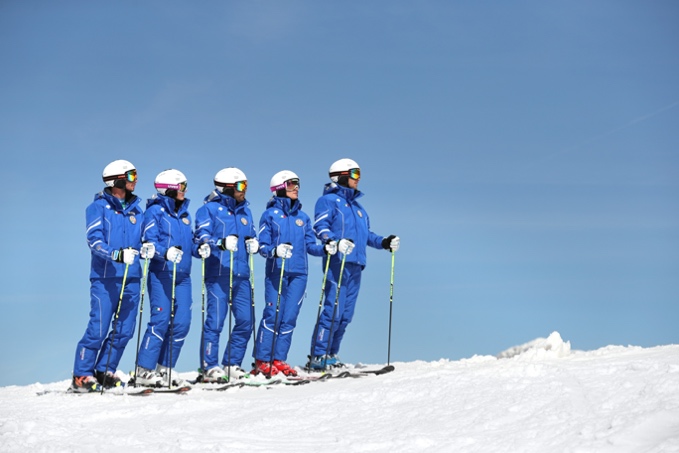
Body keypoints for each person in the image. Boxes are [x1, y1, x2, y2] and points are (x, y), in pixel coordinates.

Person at [308, 158, 400, 370]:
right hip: (338, 261)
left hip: (356, 264)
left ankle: (331, 353)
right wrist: (335, 242)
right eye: (354, 174)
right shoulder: (328, 201)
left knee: (346, 315)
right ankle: (318, 355)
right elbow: (320, 227)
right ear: (340, 176)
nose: (358, 179)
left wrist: (385, 242)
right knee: (333, 310)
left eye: (359, 174)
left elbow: (366, 235)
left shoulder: (359, 208)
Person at [72, 160, 143, 392]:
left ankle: (104, 370)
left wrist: (147, 249)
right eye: (131, 175)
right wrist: (116, 255)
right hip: (105, 277)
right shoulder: (97, 208)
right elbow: (94, 241)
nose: (135, 180)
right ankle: (82, 374)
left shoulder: (137, 210)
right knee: (99, 327)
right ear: (118, 180)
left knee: (125, 329)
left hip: (131, 277)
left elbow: (142, 240)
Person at [251, 170, 330, 377]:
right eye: (291, 184)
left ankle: (278, 359)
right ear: (279, 188)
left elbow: (310, 246)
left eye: (297, 184)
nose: (296, 188)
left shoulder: (302, 218)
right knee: (273, 315)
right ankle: (262, 360)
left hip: (299, 273)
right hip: (277, 271)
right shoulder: (269, 215)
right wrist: (275, 251)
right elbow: (262, 246)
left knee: (290, 318)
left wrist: (326, 249)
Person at [134, 169, 201, 388]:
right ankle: (143, 370)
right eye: (182, 186)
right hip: (161, 272)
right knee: (160, 320)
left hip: (183, 275)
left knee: (182, 322)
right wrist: (165, 252)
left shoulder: (184, 215)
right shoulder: (155, 212)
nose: (185, 190)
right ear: (170, 189)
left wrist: (200, 249)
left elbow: (189, 241)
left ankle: (165, 368)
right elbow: (148, 241)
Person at [194, 167, 258, 382]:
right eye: (241, 186)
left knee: (245, 321)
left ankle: (232, 363)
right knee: (216, 321)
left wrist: (253, 242)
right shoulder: (209, 210)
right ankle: (209, 366)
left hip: (241, 274)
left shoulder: (245, 211)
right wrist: (218, 243)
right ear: (227, 188)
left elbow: (252, 233)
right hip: (218, 273)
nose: (244, 190)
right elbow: (200, 236)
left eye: (246, 185)